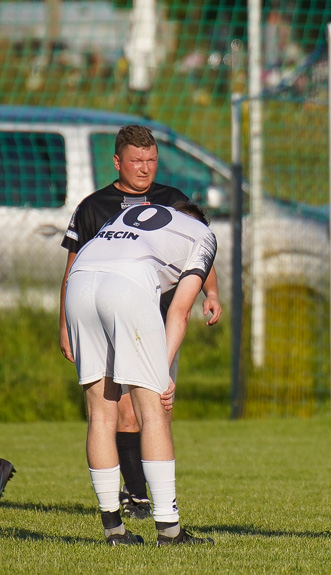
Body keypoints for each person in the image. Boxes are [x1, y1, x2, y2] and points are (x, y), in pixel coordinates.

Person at [58, 124, 222, 519]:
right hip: (132, 302)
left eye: (152, 160)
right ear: (118, 162)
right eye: (136, 160)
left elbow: (79, 270)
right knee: (144, 409)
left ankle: (113, 522)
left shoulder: (149, 212)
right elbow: (179, 310)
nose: (145, 168)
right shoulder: (196, 234)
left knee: (109, 412)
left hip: (92, 291)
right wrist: (161, 372)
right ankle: (164, 521)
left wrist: (211, 294)